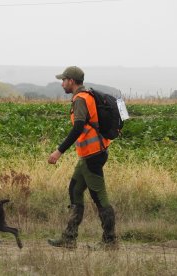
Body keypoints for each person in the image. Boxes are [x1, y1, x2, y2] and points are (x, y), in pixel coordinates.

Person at [47, 66, 117, 249]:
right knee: (75, 190)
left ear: (71, 81)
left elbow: (78, 128)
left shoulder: (80, 99)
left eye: (63, 80)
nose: (62, 83)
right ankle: (69, 238)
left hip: (93, 155)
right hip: (89, 155)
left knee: (100, 198)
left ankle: (110, 241)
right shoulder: (88, 96)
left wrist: (58, 151)